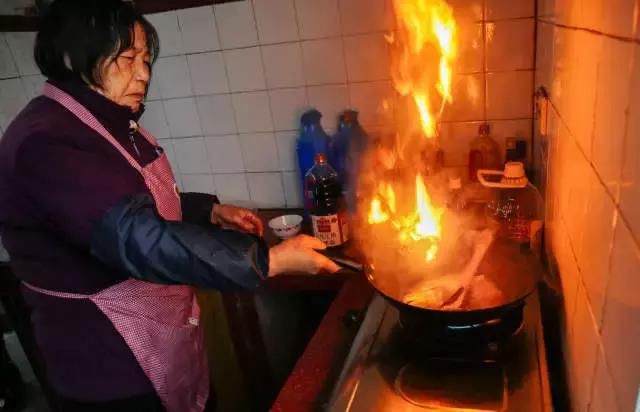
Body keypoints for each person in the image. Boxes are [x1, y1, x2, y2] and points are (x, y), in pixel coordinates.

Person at [0, 1, 340, 411]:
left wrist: (208, 211)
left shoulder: (110, 122)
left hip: (159, 335)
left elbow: (129, 197)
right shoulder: (46, 142)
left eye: (145, 59)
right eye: (127, 58)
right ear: (73, 55)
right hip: (109, 364)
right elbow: (134, 235)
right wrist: (270, 261)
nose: (143, 74)